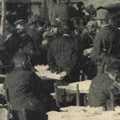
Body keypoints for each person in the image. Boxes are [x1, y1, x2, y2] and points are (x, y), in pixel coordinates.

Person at [4, 52, 58, 120]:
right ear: (24, 63)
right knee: (50, 100)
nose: (30, 63)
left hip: (14, 111)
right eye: (29, 61)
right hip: (30, 111)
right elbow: (44, 89)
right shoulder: (29, 74)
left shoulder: (8, 76)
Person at [91, 8, 120, 73]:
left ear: (100, 21)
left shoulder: (100, 35)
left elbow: (96, 55)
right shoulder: (117, 31)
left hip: (108, 67)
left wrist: (90, 52)